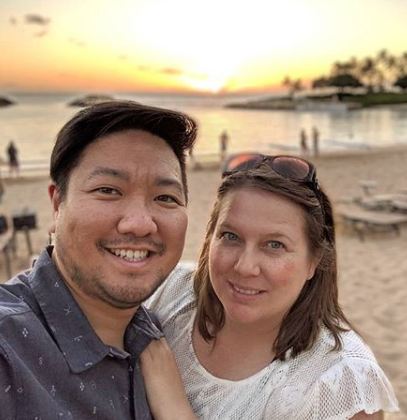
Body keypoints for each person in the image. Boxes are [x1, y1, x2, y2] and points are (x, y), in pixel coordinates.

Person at [141, 154, 399, 419]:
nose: (244, 266)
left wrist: (173, 405)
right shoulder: (168, 290)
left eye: (274, 245)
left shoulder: (339, 382)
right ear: (210, 238)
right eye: (231, 236)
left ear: (314, 260)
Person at [0, 100, 197, 419]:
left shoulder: (170, 336)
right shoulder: (9, 352)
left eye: (165, 198)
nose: (139, 223)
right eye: (108, 190)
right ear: (57, 204)